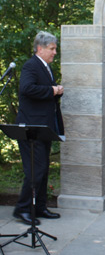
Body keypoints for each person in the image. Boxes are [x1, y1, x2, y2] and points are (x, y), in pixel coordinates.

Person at [14, 31, 64, 225]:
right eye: (52, 49)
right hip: (30, 128)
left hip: (43, 128)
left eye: (55, 49)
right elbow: (26, 89)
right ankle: (22, 209)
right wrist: (52, 90)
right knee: (36, 169)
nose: (54, 53)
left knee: (43, 170)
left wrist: (56, 92)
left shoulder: (46, 68)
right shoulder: (31, 66)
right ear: (40, 48)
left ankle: (40, 207)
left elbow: (42, 94)